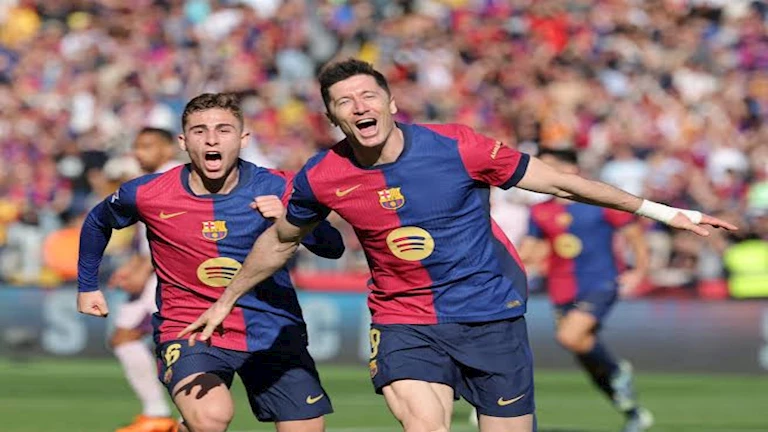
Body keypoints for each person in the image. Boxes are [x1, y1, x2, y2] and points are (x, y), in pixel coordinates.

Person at [178, 59, 737, 432]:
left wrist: (666, 212)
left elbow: (563, 183)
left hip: (489, 314)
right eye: (344, 101)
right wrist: (226, 300)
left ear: (392, 103)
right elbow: (280, 242)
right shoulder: (322, 175)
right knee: (424, 425)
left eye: (368, 95)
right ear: (332, 117)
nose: (359, 106)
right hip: (404, 319)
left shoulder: (459, 147)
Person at [77, 93, 345, 432]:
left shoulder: (279, 185)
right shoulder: (148, 192)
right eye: (199, 131)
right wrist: (88, 286)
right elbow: (98, 221)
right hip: (189, 326)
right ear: (183, 141)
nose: (212, 139)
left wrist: (292, 222)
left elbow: (333, 247)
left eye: (223, 130)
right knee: (211, 416)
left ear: (243, 139)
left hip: (272, 327)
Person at [471, 148, 654, 432]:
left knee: (570, 336)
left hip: (600, 281)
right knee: (583, 350)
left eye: (552, 165)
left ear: (571, 169)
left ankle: (618, 370)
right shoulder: (541, 211)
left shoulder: (599, 202)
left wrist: (640, 270)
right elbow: (532, 249)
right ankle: (631, 409)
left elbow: (634, 235)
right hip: (562, 288)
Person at [107, 127, 181, 432]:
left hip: (166, 275)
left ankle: (165, 415)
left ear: (168, 149)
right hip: (154, 271)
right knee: (129, 339)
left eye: (147, 146)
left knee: (134, 339)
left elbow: (171, 231)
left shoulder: (171, 179)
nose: (139, 153)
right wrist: (134, 264)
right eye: (137, 146)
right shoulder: (151, 180)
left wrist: (144, 268)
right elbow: (149, 232)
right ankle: (161, 414)